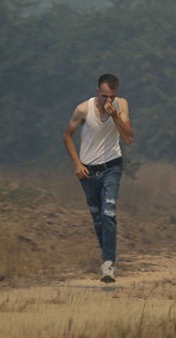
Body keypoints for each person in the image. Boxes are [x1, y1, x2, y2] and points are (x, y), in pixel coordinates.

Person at [63, 74, 133, 283]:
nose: (108, 101)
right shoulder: (83, 109)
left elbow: (128, 138)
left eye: (112, 96)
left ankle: (108, 265)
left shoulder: (121, 106)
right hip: (88, 171)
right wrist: (77, 164)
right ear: (97, 93)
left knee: (108, 212)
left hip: (112, 167)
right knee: (97, 217)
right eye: (105, 96)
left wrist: (115, 116)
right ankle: (108, 255)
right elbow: (67, 136)